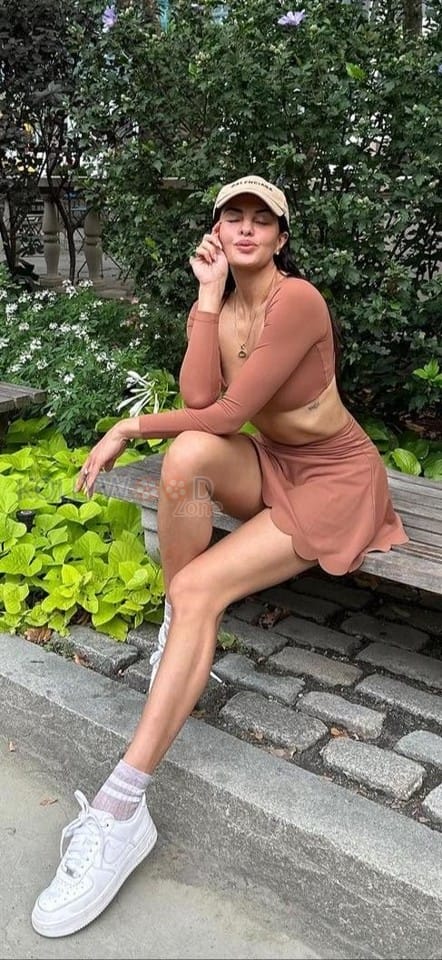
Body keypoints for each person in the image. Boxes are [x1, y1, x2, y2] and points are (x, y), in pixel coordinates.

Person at [31, 174, 409, 938]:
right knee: (188, 459)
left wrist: (126, 428)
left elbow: (233, 411)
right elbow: (202, 402)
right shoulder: (222, 302)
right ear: (216, 232)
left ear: (280, 238)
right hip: (275, 463)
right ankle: (186, 631)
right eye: (232, 216)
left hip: (335, 479)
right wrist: (206, 300)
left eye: (260, 220)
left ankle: (121, 809)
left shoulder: (297, 303)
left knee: (199, 576)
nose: (244, 228)